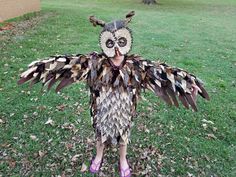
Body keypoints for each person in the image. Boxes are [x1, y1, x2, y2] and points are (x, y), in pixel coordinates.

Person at [18, 11, 209, 177]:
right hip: (101, 112)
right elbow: (65, 64)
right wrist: (37, 69)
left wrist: (188, 83)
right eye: (111, 44)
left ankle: (123, 160)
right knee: (100, 136)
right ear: (104, 44)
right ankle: (99, 155)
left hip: (125, 114)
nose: (117, 50)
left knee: (123, 138)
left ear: (128, 42)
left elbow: (163, 74)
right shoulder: (93, 63)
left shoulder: (138, 67)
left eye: (121, 42)